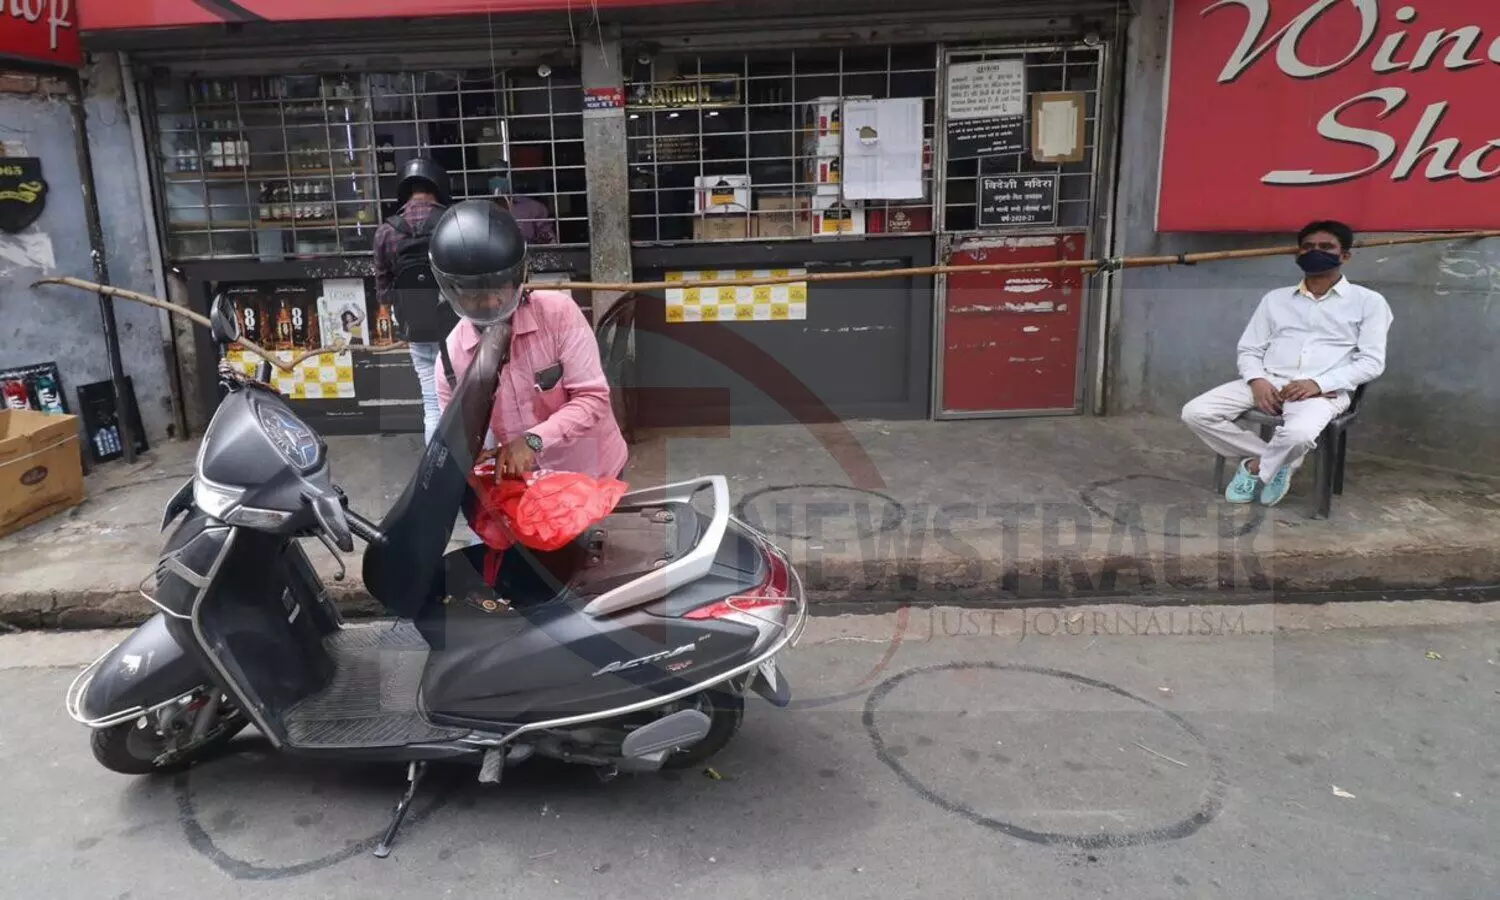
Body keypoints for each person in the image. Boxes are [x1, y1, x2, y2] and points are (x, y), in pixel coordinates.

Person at [1181, 220, 1394, 507]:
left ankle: (1257, 468)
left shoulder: (1369, 302)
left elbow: (1371, 363)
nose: (1315, 251)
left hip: (1323, 389)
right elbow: (1249, 348)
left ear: (1344, 256)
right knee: (1196, 412)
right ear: (1297, 254)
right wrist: (1257, 381)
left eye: (1326, 247)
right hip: (1269, 379)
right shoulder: (1275, 299)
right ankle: (1280, 463)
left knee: (1300, 434)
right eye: (1308, 247)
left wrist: (1317, 384)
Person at [430, 199, 627, 482]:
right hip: (529, 491)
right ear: (450, 290)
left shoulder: (559, 315)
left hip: (594, 475)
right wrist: (469, 454)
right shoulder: (452, 359)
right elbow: (456, 434)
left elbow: (593, 397)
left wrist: (532, 441)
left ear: (519, 275)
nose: (490, 301)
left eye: (500, 286)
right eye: (472, 293)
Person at [373, 157, 455, 445]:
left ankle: (436, 469)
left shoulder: (386, 231)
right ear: (439, 187)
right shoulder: (452, 220)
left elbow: (383, 290)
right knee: (468, 397)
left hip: (416, 328)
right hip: (456, 326)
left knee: (432, 402)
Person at [489, 174, 557, 245]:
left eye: (501, 174)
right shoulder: (482, 208)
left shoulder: (533, 207)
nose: (496, 178)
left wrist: (542, 240)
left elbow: (550, 241)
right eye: (492, 174)